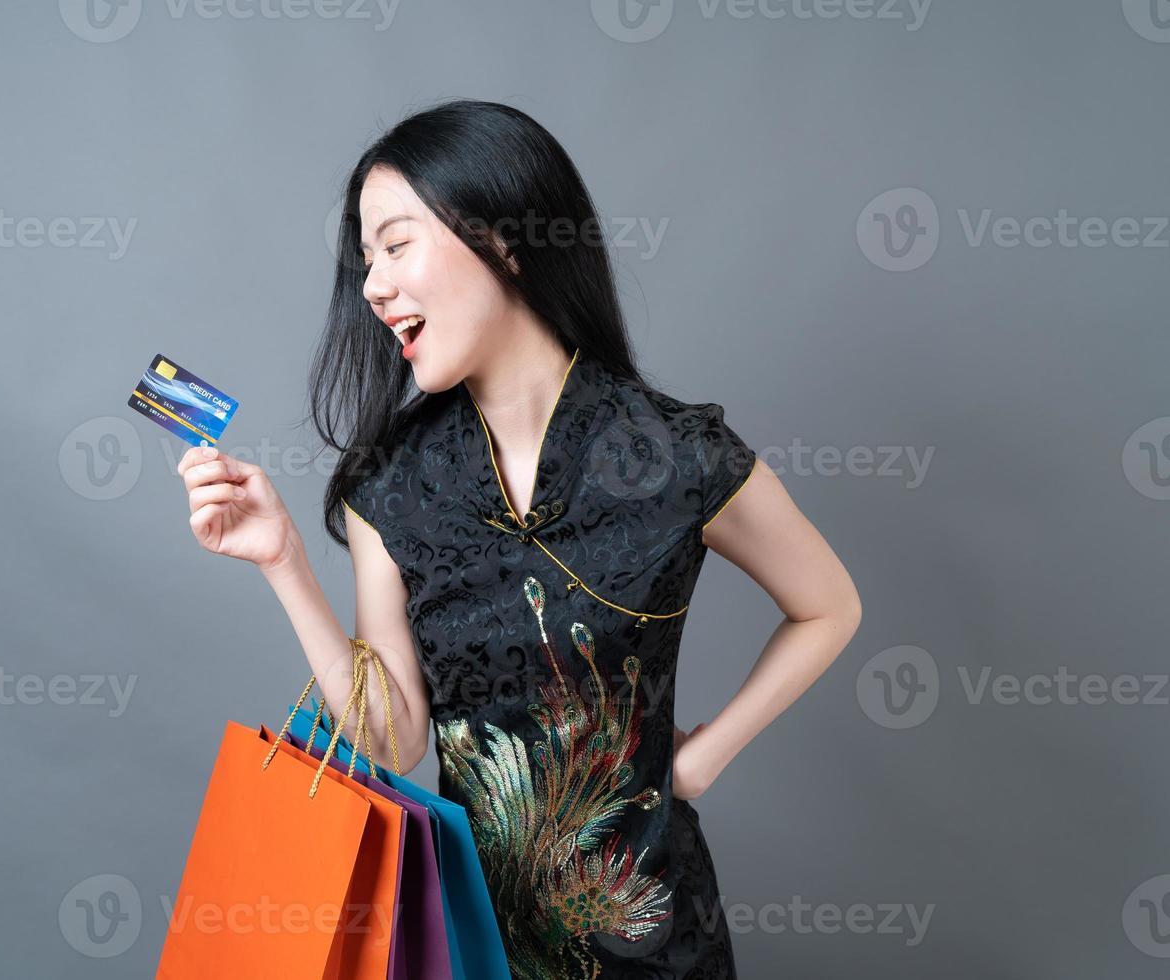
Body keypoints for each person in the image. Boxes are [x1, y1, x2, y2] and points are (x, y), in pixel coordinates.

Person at [177, 99, 862, 980]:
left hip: (655, 941)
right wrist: (283, 564)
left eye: (395, 244)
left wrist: (701, 758)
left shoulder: (675, 457)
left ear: (505, 239)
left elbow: (829, 606)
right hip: (473, 945)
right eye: (365, 259)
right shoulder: (391, 486)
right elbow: (395, 743)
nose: (373, 286)